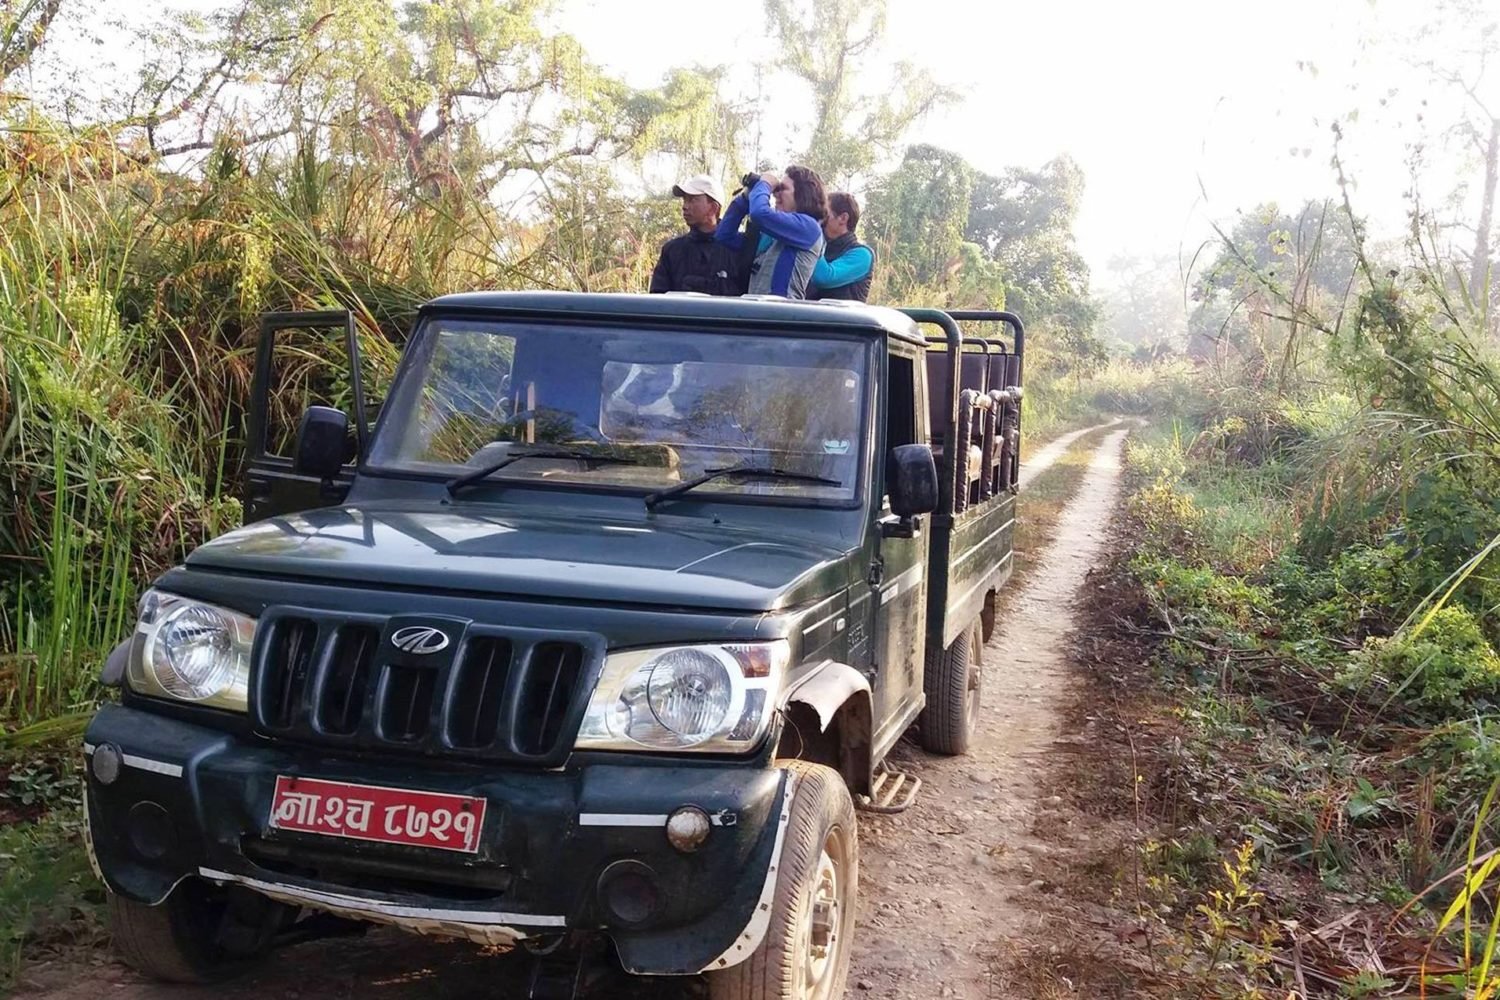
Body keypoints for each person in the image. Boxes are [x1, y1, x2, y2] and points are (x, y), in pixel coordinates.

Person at [715, 165, 827, 299]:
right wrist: (745, 198)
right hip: (761, 311)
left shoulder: (808, 228)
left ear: (803, 193)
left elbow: (759, 214)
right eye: (775, 189)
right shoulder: (771, 235)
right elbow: (724, 236)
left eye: (782, 189)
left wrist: (765, 184)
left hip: (784, 314)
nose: (775, 193)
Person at [649, 175, 739, 296]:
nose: (684, 206)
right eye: (685, 200)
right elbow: (657, 301)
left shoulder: (738, 248)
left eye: (692, 200)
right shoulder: (672, 251)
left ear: (713, 208)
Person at [809, 192, 874, 302]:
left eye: (824, 213)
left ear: (843, 218)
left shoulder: (862, 255)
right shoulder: (820, 245)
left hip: (841, 319)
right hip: (806, 317)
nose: (820, 218)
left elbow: (824, 277)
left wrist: (810, 231)